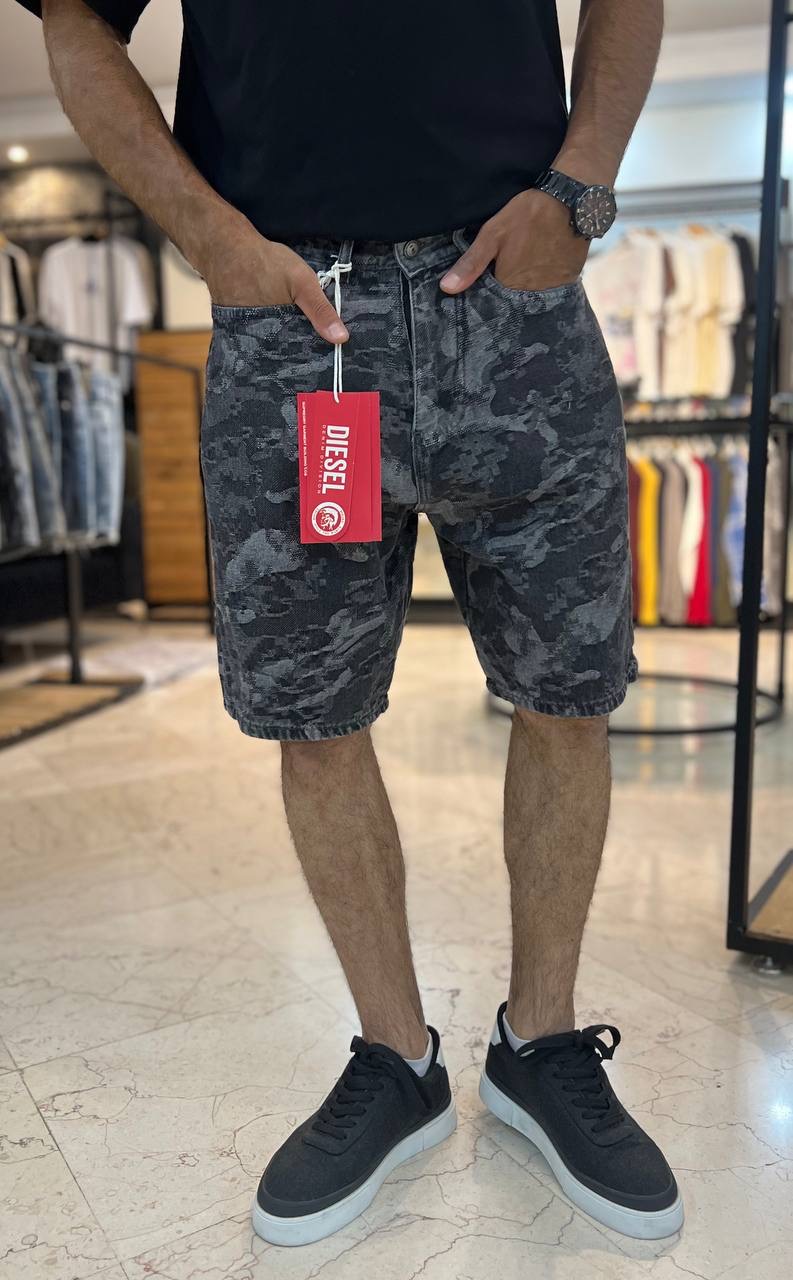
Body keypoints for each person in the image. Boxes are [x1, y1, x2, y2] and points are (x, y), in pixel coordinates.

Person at [24, 0, 683, 1248]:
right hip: (290, 313)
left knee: (568, 691)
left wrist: (577, 189)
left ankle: (541, 1040)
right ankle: (396, 1054)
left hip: (512, 294)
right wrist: (211, 237)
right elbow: (73, 19)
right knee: (312, 715)